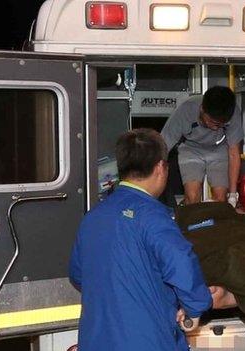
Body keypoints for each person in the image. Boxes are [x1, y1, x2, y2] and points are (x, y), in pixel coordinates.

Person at [69, 129, 212, 351]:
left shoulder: (93, 217)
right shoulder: (154, 218)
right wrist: (194, 308)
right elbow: (182, 265)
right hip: (148, 340)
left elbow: (78, 274)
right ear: (160, 168)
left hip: (96, 340)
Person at [161, 86, 243, 206]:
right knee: (192, 197)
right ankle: (191, 220)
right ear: (202, 109)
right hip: (190, 148)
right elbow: (163, 146)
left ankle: (214, 223)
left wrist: (232, 195)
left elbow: (234, 153)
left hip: (219, 149)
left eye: (221, 125)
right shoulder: (186, 110)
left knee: (220, 199)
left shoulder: (233, 111)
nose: (216, 128)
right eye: (213, 122)